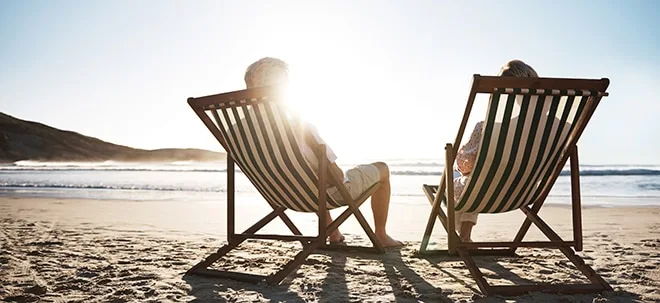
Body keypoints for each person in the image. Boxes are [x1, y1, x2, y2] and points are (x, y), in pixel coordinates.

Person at [243, 57, 403, 247]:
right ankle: (381, 235)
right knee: (380, 169)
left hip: (280, 194)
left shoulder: (238, 130)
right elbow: (336, 175)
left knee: (313, 176)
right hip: (313, 194)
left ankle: (333, 232)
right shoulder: (297, 125)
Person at [453, 59, 539, 242]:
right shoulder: (558, 127)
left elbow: (464, 165)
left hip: (484, 191)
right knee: (476, 180)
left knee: (470, 180)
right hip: (525, 191)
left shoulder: (487, 128)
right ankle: (463, 238)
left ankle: (463, 237)